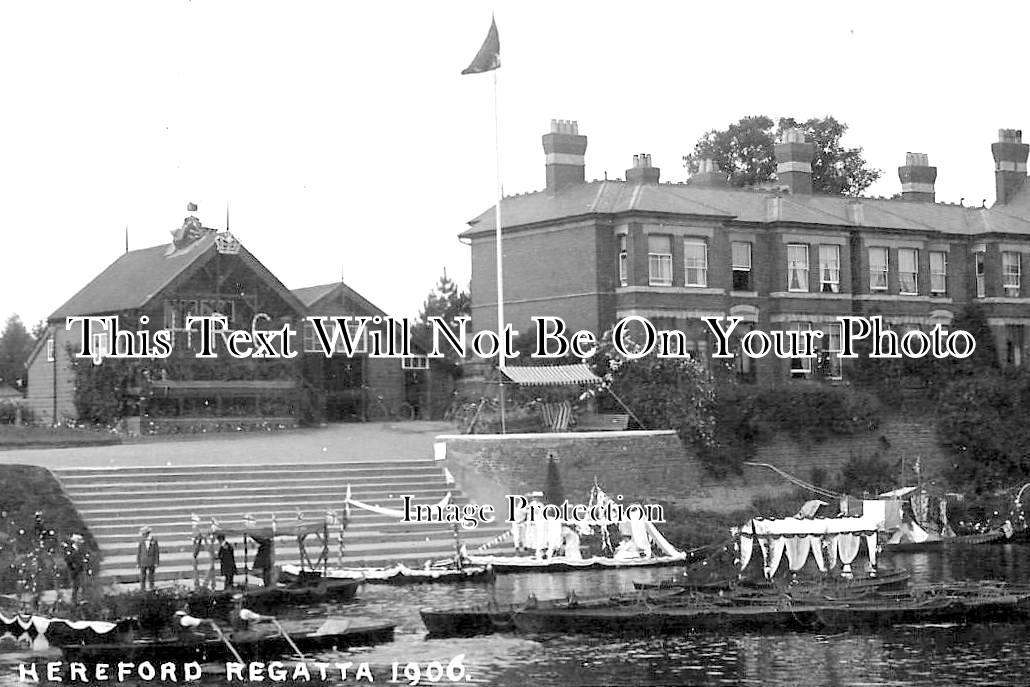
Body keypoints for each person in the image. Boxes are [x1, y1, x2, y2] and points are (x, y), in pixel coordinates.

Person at [63, 534, 90, 605]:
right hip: (73, 570)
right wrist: (73, 567)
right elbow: (68, 560)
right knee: (75, 586)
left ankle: (82, 598)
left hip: (81, 569)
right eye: (79, 541)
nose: (81, 543)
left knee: (83, 584)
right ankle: (74, 600)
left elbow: (86, 558)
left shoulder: (82, 550)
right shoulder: (70, 549)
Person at [137, 526, 160, 591]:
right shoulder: (141, 541)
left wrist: (156, 562)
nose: (143, 536)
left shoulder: (154, 541)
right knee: (142, 575)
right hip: (143, 561)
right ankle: (142, 588)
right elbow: (139, 552)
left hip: (151, 561)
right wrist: (138, 562)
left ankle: (151, 586)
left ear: (147, 534)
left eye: (143, 534)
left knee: (151, 575)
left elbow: (156, 552)